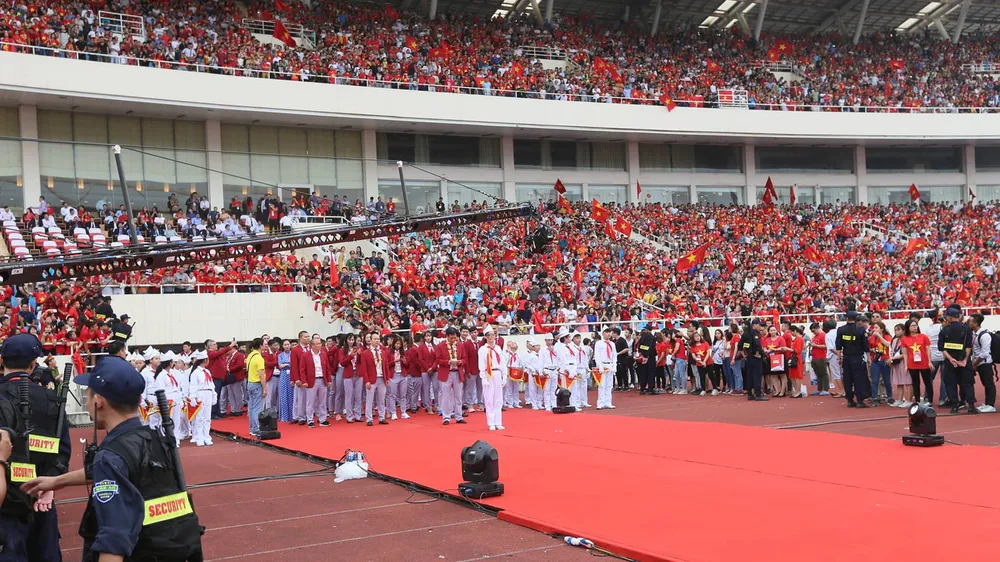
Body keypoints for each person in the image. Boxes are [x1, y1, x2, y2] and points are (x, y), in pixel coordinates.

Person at [22, 353, 204, 562]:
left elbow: (114, 540)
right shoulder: (155, 439)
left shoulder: (111, 456)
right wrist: (56, 481)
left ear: (98, 401)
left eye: (87, 394)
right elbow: (119, 472)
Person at [0, 334, 72, 562]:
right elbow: (62, 450)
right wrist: (49, 485)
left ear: (2, 360)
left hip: (5, 500)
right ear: (33, 364)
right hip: (41, 494)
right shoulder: (51, 398)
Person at [939, 307, 978, 414]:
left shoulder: (944, 330)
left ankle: (955, 406)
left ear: (950, 317)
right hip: (964, 360)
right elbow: (969, 346)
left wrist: (951, 359)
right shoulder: (966, 329)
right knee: (967, 383)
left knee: (951, 383)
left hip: (950, 361)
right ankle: (971, 405)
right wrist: (965, 360)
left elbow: (942, 348)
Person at [835, 311, 871, 408]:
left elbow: (838, 346)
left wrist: (839, 358)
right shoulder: (860, 329)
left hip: (846, 357)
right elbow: (866, 345)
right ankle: (860, 400)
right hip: (858, 357)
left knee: (847, 379)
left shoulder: (841, 330)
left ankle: (850, 400)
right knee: (859, 379)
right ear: (856, 319)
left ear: (846, 318)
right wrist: (869, 357)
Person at [434, 327, 467, 425]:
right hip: (446, 372)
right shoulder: (440, 346)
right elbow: (438, 360)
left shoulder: (460, 345)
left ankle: (459, 416)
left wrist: (461, 362)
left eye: (455, 338)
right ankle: (446, 417)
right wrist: (448, 362)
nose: (453, 340)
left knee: (458, 395)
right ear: (447, 336)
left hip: (458, 371)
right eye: (451, 338)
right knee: (445, 396)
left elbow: (465, 358)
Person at [478, 327, 506, 431]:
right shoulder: (483, 349)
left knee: (498, 398)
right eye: (489, 335)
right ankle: (491, 422)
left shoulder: (498, 348)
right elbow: (481, 364)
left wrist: (504, 375)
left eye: (493, 335)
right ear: (485, 337)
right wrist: (483, 377)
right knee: (489, 398)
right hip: (488, 373)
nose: (491, 337)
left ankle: (498, 421)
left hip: (497, 372)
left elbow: (502, 362)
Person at [187, 350, 217, 446]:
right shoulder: (195, 372)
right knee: (199, 417)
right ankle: (199, 437)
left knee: (207, 417)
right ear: (204, 360)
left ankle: (206, 436)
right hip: (200, 394)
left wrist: (213, 395)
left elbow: (211, 384)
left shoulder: (207, 371)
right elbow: (193, 386)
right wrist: (193, 397)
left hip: (208, 393)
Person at [969, 314, 997, 413]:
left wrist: (975, 363)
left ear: (976, 323)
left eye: (971, 321)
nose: (969, 322)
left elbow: (985, 353)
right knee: (985, 383)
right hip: (979, 363)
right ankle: (987, 403)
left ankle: (991, 405)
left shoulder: (984, 335)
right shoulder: (974, 334)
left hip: (985, 363)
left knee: (989, 383)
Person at [358, 334, 386, 427]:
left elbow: (385, 366)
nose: (377, 340)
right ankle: (369, 419)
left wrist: (387, 378)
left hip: (382, 378)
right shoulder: (365, 353)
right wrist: (366, 381)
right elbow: (364, 368)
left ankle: (382, 417)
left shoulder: (382, 352)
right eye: (375, 339)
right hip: (371, 379)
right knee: (369, 400)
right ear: (371, 340)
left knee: (381, 400)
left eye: (378, 339)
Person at [739, 320, 768, 401]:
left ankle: (750, 394)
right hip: (756, 357)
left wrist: (746, 353)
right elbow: (757, 345)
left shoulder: (745, 333)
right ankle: (758, 394)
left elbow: (741, 345)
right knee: (757, 376)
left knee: (749, 376)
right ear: (755, 325)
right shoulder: (755, 333)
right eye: (759, 325)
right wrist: (762, 354)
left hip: (749, 357)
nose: (760, 327)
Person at [245, 338, 267, 436]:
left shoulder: (250, 355)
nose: (265, 346)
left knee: (251, 407)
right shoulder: (259, 358)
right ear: (260, 346)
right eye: (264, 344)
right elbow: (261, 374)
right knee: (257, 407)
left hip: (250, 382)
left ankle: (252, 428)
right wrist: (265, 388)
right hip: (257, 383)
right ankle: (256, 428)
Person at [594, 328, 617, 409]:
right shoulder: (599, 343)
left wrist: (614, 366)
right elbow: (597, 355)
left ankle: (608, 402)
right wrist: (599, 366)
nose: (608, 334)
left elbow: (614, 356)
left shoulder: (612, 344)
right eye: (607, 332)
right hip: (603, 365)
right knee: (602, 385)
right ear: (603, 333)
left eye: (609, 332)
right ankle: (600, 403)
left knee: (609, 385)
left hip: (610, 365)